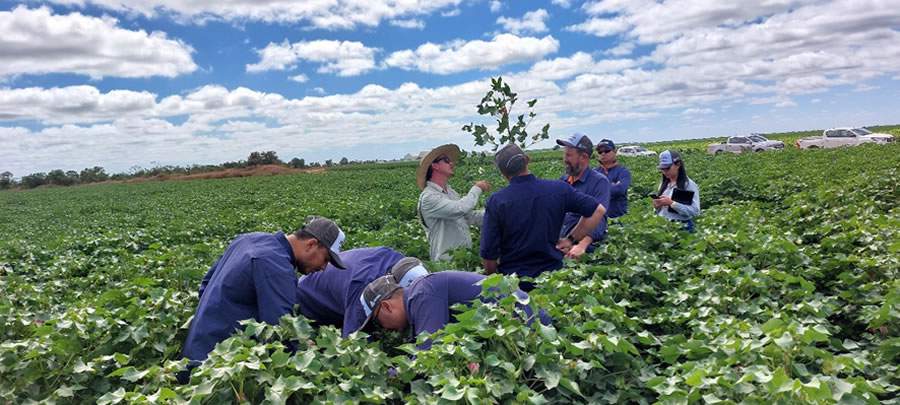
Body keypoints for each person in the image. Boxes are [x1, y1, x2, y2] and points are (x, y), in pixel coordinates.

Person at [182, 217, 346, 363]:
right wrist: (306, 352)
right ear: (311, 244)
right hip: (219, 367)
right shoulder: (277, 266)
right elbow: (280, 332)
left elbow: (205, 286)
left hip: (194, 353)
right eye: (325, 259)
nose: (324, 267)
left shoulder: (248, 239)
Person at [480, 144, 606, 291]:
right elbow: (598, 210)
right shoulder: (558, 189)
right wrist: (571, 239)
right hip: (553, 281)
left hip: (515, 286)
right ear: (527, 160)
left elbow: (489, 255)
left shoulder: (497, 201)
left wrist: (497, 284)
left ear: (502, 172)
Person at [355, 271, 550, 350]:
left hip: (531, 327)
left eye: (377, 321)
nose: (384, 329)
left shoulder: (421, 294)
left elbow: (430, 350)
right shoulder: (420, 295)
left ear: (386, 306)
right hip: (520, 329)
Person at [294, 246, 405, 329]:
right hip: (308, 297)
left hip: (337, 283)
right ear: (386, 306)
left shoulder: (402, 264)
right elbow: (352, 341)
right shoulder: (365, 288)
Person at [416, 144, 491, 261]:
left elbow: (469, 217)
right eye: (446, 160)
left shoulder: (451, 192)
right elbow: (459, 209)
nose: (451, 163)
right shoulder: (428, 197)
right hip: (446, 265)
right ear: (434, 166)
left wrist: (496, 212)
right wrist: (477, 188)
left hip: (464, 261)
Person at [556, 133, 610, 259]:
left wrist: (581, 245)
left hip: (579, 249)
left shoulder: (599, 182)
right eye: (565, 154)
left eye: (569, 155)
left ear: (584, 157)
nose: (565, 159)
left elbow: (598, 219)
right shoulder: (563, 181)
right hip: (560, 244)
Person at [652, 150, 700, 231]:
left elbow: (695, 211)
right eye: (662, 169)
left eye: (667, 168)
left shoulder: (688, 185)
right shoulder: (664, 184)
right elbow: (661, 210)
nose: (664, 172)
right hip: (664, 226)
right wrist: (657, 206)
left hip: (682, 228)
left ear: (678, 164)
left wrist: (671, 203)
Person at [595, 139, 632, 219]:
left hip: (618, 219)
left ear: (614, 152)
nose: (603, 154)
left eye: (607, 151)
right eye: (600, 152)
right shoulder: (594, 172)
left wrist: (597, 189)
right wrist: (611, 186)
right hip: (597, 219)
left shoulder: (623, 171)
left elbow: (620, 189)